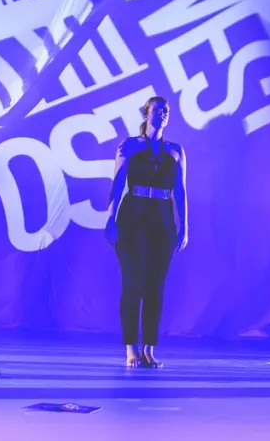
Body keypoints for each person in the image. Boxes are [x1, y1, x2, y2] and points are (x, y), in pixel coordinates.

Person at [105, 96, 189, 368]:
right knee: (133, 283)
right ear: (146, 114)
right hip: (133, 215)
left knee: (156, 286)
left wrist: (184, 225)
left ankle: (149, 349)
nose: (162, 114)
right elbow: (118, 183)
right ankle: (131, 348)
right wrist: (110, 219)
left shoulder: (176, 150)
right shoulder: (129, 145)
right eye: (157, 110)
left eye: (166, 111)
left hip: (162, 218)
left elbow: (181, 190)